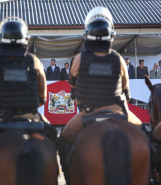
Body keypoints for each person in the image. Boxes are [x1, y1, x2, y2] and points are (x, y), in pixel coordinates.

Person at [57, 7, 142, 185]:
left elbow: (73, 90)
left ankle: (70, 178)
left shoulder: (79, 59)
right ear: (111, 36)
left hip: (88, 115)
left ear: (86, 35)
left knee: (63, 141)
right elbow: (126, 93)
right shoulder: (118, 59)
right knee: (146, 137)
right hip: (119, 114)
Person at [0, 17, 57, 183]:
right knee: (54, 137)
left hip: (0, 119)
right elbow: (42, 98)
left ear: (1, 38)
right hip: (32, 117)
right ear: (25, 39)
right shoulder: (35, 62)